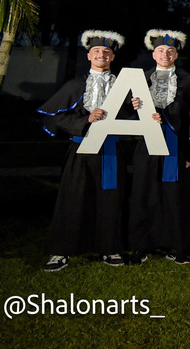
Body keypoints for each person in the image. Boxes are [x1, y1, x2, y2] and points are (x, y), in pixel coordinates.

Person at [38, 30, 130, 271]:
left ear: (113, 57)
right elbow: (52, 117)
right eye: (97, 51)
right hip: (81, 150)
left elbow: (132, 118)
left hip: (111, 151)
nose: (102, 55)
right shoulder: (75, 85)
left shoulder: (124, 87)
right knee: (73, 198)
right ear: (88, 55)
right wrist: (85, 120)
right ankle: (60, 252)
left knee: (111, 199)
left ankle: (110, 248)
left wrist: (138, 108)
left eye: (107, 52)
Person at [128, 29, 190, 265]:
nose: (165, 54)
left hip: (176, 146)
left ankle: (178, 246)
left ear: (176, 55)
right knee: (144, 193)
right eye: (161, 50)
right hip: (146, 145)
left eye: (170, 51)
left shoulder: (187, 80)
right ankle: (140, 245)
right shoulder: (140, 80)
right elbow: (126, 115)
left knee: (175, 195)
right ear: (153, 54)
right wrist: (135, 108)